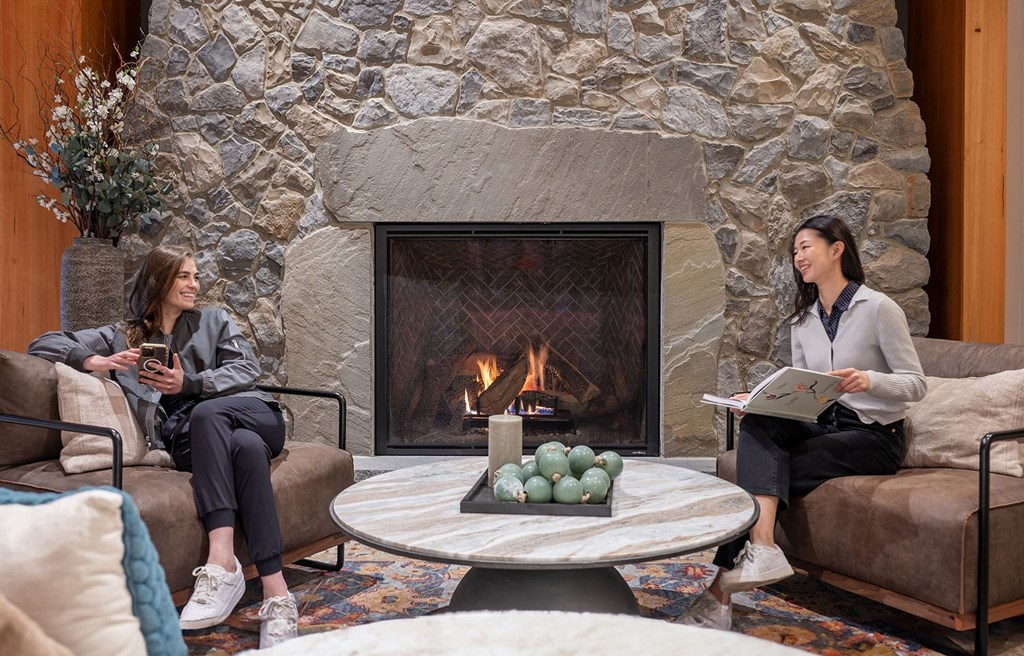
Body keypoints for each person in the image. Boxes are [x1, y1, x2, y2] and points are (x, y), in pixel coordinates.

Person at [29, 244, 299, 649]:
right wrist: (94, 361)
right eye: (185, 276)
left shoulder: (214, 320)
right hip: (193, 441)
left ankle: (220, 560)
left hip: (252, 416)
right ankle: (278, 594)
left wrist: (189, 384)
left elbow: (247, 369)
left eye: (195, 276)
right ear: (160, 280)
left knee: (215, 417)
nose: (195, 284)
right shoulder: (122, 334)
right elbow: (43, 343)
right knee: (242, 449)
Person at [677, 215, 927, 630]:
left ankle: (718, 596)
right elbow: (806, 395)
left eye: (805, 247)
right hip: (825, 424)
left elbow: (916, 385)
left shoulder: (879, 309)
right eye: (794, 251)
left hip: (873, 436)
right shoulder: (803, 320)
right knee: (758, 424)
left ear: (836, 249)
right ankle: (763, 549)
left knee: (758, 475)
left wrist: (869, 379)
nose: (797, 258)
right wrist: (758, 400)